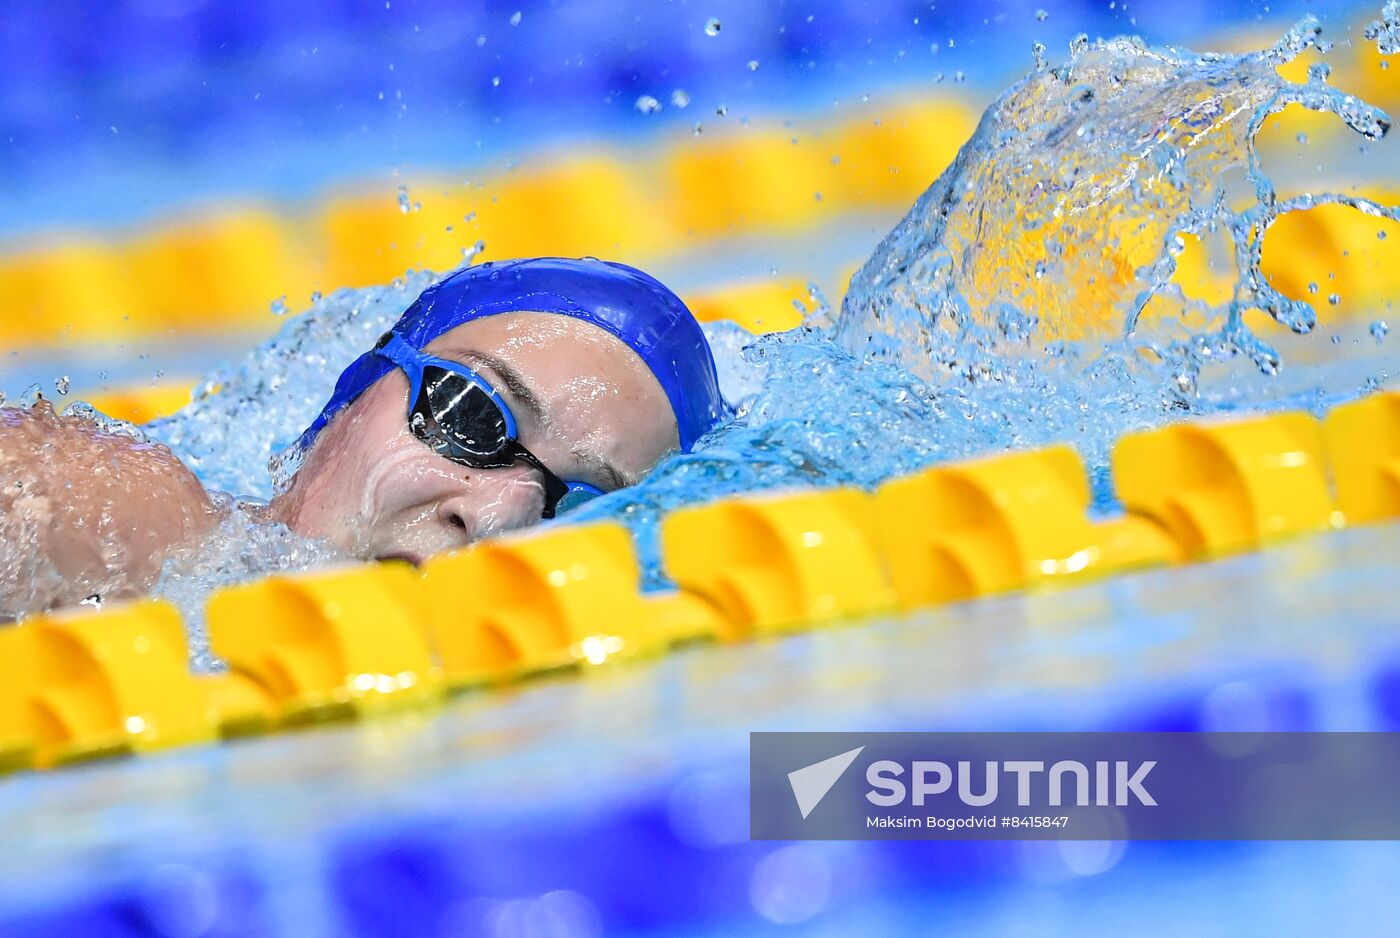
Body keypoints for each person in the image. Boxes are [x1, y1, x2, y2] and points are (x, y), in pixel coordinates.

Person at [0, 257, 726, 620]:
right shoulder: (125, 524)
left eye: (571, 506)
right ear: (351, 396)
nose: (498, 516)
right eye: (472, 413)